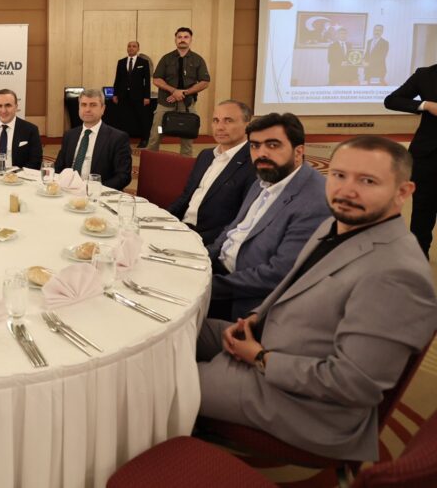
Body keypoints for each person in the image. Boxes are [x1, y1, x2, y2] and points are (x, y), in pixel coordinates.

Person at [196, 136, 437, 461]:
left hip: (300, 402)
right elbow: (291, 286)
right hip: (270, 339)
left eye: (367, 181)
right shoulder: (334, 224)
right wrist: (255, 316)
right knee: (179, 330)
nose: (347, 190)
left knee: (158, 382)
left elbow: (353, 384)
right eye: (339, 175)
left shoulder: (398, 275)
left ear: (403, 192)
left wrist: (261, 358)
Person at [206, 113, 330, 320]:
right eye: (255, 146)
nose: (261, 153)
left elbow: (277, 275)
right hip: (220, 272)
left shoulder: (315, 200)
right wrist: (201, 260)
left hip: (244, 299)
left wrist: (207, 285)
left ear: (298, 151)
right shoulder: (265, 177)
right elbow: (233, 230)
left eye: (273, 145)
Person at [168, 100, 257, 246]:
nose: (220, 127)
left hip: (210, 241)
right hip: (181, 228)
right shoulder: (206, 155)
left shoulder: (253, 163)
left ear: (248, 125)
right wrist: (163, 218)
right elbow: (186, 197)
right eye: (216, 120)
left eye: (228, 121)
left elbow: (242, 219)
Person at [384, 63, 437, 257]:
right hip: (428, 156)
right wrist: (426, 105)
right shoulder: (426, 75)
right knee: (423, 212)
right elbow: (391, 100)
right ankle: (417, 260)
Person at [147, 27, 210, 157]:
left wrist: (183, 93)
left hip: (187, 104)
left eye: (186, 37)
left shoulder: (197, 59)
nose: (182, 39)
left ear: (191, 40)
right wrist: (174, 91)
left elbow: (205, 82)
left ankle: (185, 162)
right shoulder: (166, 58)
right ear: (175, 39)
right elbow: (157, 79)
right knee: (157, 132)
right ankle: (151, 160)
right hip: (165, 103)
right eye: (179, 37)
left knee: (187, 136)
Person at [53, 89, 131, 190]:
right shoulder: (70, 135)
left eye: (93, 105)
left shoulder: (117, 138)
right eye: (83, 105)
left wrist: (94, 189)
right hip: (67, 190)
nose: (87, 109)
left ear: (103, 109)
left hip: (98, 193)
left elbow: (123, 176)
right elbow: (58, 168)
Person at [112, 41, 152, 147]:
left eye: (134, 46)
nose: (131, 48)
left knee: (142, 118)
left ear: (138, 49)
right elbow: (117, 79)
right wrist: (115, 94)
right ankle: (121, 140)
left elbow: (147, 81)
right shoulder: (121, 62)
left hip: (139, 96)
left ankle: (144, 139)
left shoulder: (144, 62)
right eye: (129, 46)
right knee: (122, 118)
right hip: (123, 95)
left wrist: (147, 96)